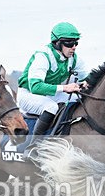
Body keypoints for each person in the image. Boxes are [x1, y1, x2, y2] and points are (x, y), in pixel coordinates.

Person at [16, 22, 90, 152]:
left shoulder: (73, 58)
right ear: (57, 43)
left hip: (49, 94)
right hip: (29, 94)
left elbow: (88, 77)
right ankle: (33, 147)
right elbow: (35, 87)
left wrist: (86, 83)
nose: (74, 47)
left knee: (77, 100)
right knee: (51, 107)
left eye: (76, 43)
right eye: (69, 43)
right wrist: (65, 88)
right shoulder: (43, 56)